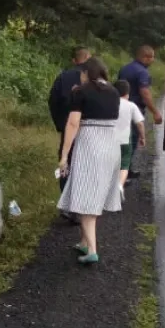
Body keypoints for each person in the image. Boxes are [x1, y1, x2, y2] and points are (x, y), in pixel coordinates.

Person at [57, 57, 122, 264]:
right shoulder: (114, 92)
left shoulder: (81, 91)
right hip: (111, 145)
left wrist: (64, 155)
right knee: (95, 194)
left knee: (85, 197)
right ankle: (84, 242)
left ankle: (92, 250)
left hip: (90, 145)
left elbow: (73, 123)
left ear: (87, 73)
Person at [49, 46, 91, 223]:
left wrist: (60, 124)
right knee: (84, 165)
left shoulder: (63, 77)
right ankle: (81, 206)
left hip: (67, 129)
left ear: (74, 60)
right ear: (89, 59)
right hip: (89, 129)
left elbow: (52, 100)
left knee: (65, 163)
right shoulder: (95, 78)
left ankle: (67, 206)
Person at [117, 46, 162, 181]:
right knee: (132, 140)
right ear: (146, 57)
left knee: (121, 140)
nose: (153, 60)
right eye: (152, 57)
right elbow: (145, 93)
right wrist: (155, 112)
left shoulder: (125, 68)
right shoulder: (142, 72)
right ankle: (124, 173)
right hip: (134, 110)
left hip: (119, 108)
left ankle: (124, 169)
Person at [113, 80, 145, 200]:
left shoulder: (109, 103)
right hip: (125, 139)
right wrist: (142, 137)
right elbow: (140, 123)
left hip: (109, 139)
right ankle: (120, 186)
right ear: (127, 93)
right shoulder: (131, 105)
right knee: (124, 164)